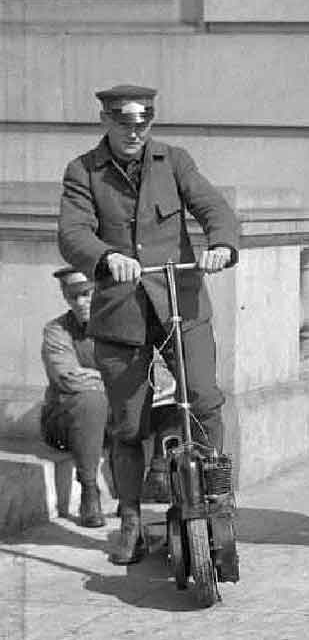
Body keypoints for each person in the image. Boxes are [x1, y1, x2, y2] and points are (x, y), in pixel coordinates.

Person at [58, 84, 238, 564]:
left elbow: (213, 208)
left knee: (203, 398)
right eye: (124, 123)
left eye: (143, 123)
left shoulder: (174, 161)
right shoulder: (84, 171)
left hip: (180, 299)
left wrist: (220, 244)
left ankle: (216, 498)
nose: (134, 131)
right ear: (106, 121)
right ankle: (132, 519)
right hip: (122, 312)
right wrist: (105, 256)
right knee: (128, 425)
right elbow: (72, 233)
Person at [40, 267, 109, 528]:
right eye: (72, 297)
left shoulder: (123, 326)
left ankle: (158, 475)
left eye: (87, 293)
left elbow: (155, 376)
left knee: (174, 393)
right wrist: (113, 381)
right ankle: (90, 491)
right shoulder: (57, 330)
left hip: (110, 419)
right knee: (90, 400)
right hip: (64, 423)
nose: (80, 302)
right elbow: (67, 378)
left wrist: (96, 376)